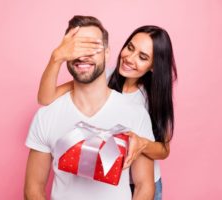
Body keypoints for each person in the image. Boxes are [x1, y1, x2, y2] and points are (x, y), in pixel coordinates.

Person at [37, 23, 177, 200]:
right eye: (130, 47)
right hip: (107, 181)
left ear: (153, 66)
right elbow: (45, 98)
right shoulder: (101, 78)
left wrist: (142, 143)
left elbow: (164, 150)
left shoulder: (153, 98)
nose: (129, 58)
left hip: (143, 184)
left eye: (142, 57)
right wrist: (56, 58)